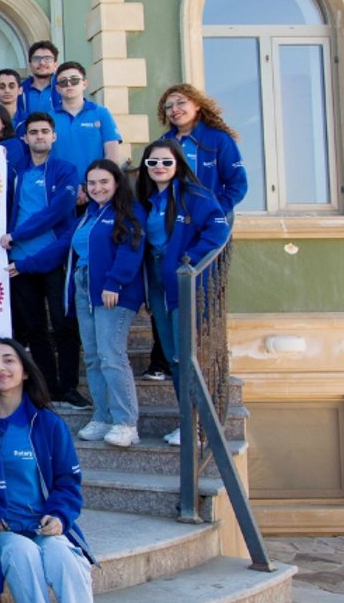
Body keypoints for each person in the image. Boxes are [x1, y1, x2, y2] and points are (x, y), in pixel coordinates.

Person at [0, 337, 112, 603]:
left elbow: (69, 483)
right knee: (21, 556)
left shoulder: (47, 423)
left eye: (8, 360)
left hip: (45, 524)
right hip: (3, 529)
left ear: (24, 370)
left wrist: (59, 515)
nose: (0, 368)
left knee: (63, 559)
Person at [136, 142, 229, 440]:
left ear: (177, 163)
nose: (159, 167)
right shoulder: (147, 199)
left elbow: (217, 229)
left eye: (166, 161)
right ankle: (188, 420)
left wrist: (187, 260)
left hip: (184, 282)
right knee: (174, 355)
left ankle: (199, 425)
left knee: (187, 354)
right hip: (158, 282)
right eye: (152, 162)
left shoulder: (195, 196)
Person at [52, 159, 147, 448]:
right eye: (92, 183)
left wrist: (114, 282)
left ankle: (126, 422)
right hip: (85, 288)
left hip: (112, 292)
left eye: (104, 181)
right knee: (93, 357)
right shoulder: (88, 215)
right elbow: (68, 249)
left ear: (116, 182)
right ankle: (103, 416)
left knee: (111, 355)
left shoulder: (128, 211)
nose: (97, 188)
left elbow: (131, 249)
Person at [0, 113, 90, 409]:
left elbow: (58, 212)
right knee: (35, 328)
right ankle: (47, 387)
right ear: (24, 138)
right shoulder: (16, 172)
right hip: (19, 262)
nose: (39, 136)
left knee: (64, 325)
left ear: (54, 137)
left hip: (53, 258)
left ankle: (69, 387)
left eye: (44, 132)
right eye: (33, 132)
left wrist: (17, 233)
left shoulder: (65, 170)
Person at [156, 83, 248, 217]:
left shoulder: (218, 139)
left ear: (197, 105)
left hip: (211, 220)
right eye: (168, 107)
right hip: (175, 222)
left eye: (181, 103)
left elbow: (237, 184)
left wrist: (217, 210)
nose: (174, 109)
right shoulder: (163, 142)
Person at [49, 62, 127, 188]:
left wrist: (92, 186)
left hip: (97, 191)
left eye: (74, 80)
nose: (69, 84)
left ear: (84, 84)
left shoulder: (101, 113)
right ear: (58, 89)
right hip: (61, 189)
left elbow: (112, 154)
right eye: (63, 82)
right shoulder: (49, 118)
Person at [19, 41, 62, 122]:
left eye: (48, 58)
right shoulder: (20, 91)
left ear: (55, 64)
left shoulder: (63, 88)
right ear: (30, 65)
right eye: (36, 59)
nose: (42, 63)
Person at [0, 68, 25, 132]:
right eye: (1, 87)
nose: (7, 91)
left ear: (20, 90)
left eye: (11, 86)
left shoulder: (29, 121)